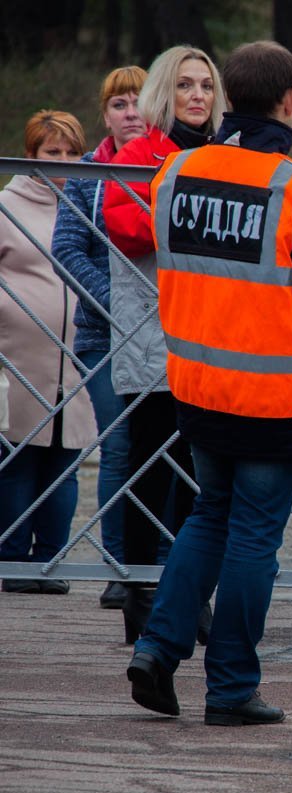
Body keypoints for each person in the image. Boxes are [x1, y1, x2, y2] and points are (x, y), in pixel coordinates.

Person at [126, 40, 292, 724]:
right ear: (290, 101)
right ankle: (230, 689)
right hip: (274, 398)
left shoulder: (175, 173)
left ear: (229, 99)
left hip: (200, 387)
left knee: (209, 516)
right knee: (254, 536)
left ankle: (156, 649)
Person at [102, 44, 226, 644]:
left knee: (201, 475)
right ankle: (140, 593)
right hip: (152, 338)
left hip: (212, 340)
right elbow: (125, 227)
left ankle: (188, 591)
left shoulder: (227, 156)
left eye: (206, 85)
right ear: (162, 93)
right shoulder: (137, 154)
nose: (197, 95)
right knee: (150, 470)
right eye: (184, 84)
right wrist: (198, 214)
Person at [52, 65, 148, 610]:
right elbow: (67, 249)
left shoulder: (171, 165)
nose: (131, 113)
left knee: (166, 446)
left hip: (166, 336)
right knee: (120, 445)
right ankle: (120, 567)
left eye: (139, 102)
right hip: (102, 334)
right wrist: (119, 304)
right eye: (119, 105)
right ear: (105, 115)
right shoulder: (89, 173)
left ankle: (163, 561)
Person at [0, 111, 92, 595]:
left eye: (72, 152)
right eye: (52, 152)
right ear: (30, 154)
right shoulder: (6, 206)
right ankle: (13, 559)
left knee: (64, 462)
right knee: (18, 457)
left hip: (76, 357)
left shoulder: (88, 203)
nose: (63, 161)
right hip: (17, 355)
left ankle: (51, 560)